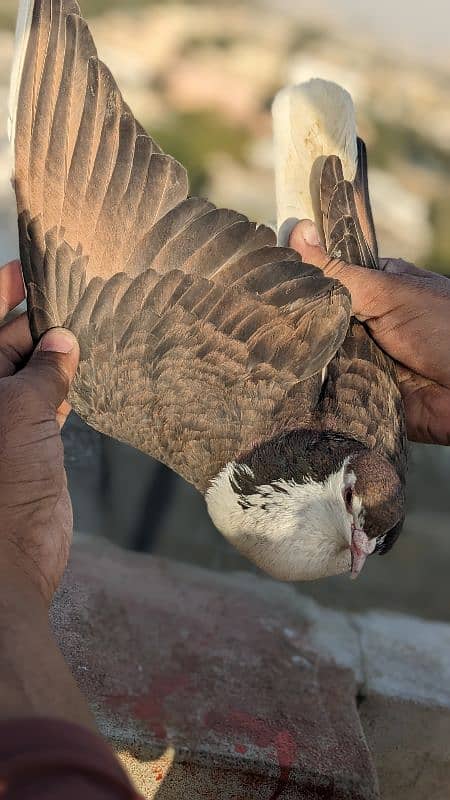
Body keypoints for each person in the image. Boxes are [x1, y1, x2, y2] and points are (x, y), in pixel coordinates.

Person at [0, 225, 448, 797]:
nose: (360, 552)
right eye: (358, 523)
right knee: (86, 360)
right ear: (342, 487)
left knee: (92, 361)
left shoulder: (370, 520)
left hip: (354, 361)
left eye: (366, 537)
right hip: (357, 351)